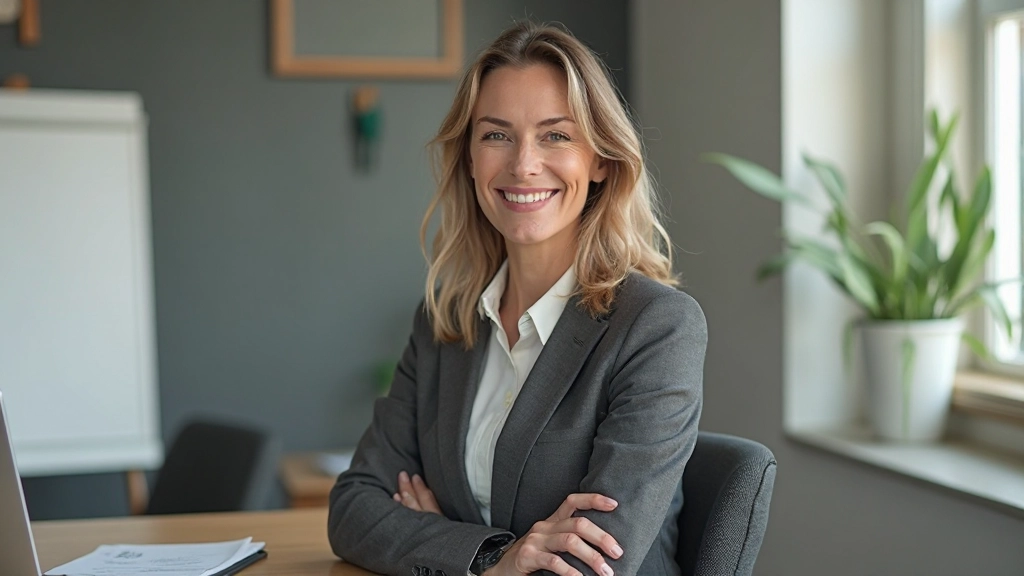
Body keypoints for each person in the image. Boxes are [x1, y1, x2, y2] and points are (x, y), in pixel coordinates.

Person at [328, 21, 706, 576]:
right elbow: (353, 511)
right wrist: (491, 558)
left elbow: (594, 563)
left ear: (600, 159)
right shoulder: (444, 324)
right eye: (496, 135)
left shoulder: (656, 327)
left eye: (556, 135)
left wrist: (428, 535)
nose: (523, 164)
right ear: (470, 158)